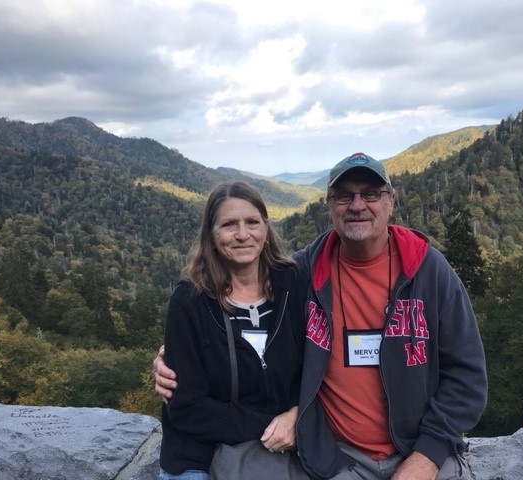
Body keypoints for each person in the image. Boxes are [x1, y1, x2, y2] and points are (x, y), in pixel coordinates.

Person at [155, 153, 487, 480]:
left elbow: (467, 376)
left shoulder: (429, 272)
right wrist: (173, 356)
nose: (357, 205)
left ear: (391, 200)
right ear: (328, 205)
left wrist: (427, 456)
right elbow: (239, 319)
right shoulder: (303, 273)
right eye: (344, 196)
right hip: (336, 456)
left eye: (371, 193)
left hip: (418, 450)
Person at [158, 181, 310, 480]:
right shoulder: (189, 301)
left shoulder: (294, 284)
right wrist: (277, 423)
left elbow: (320, 367)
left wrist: (298, 415)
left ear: (266, 229)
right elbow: (186, 408)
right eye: (229, 225)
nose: (242, 234)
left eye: (252, 222)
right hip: (199, 455)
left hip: (281, 450)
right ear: (211, 235)